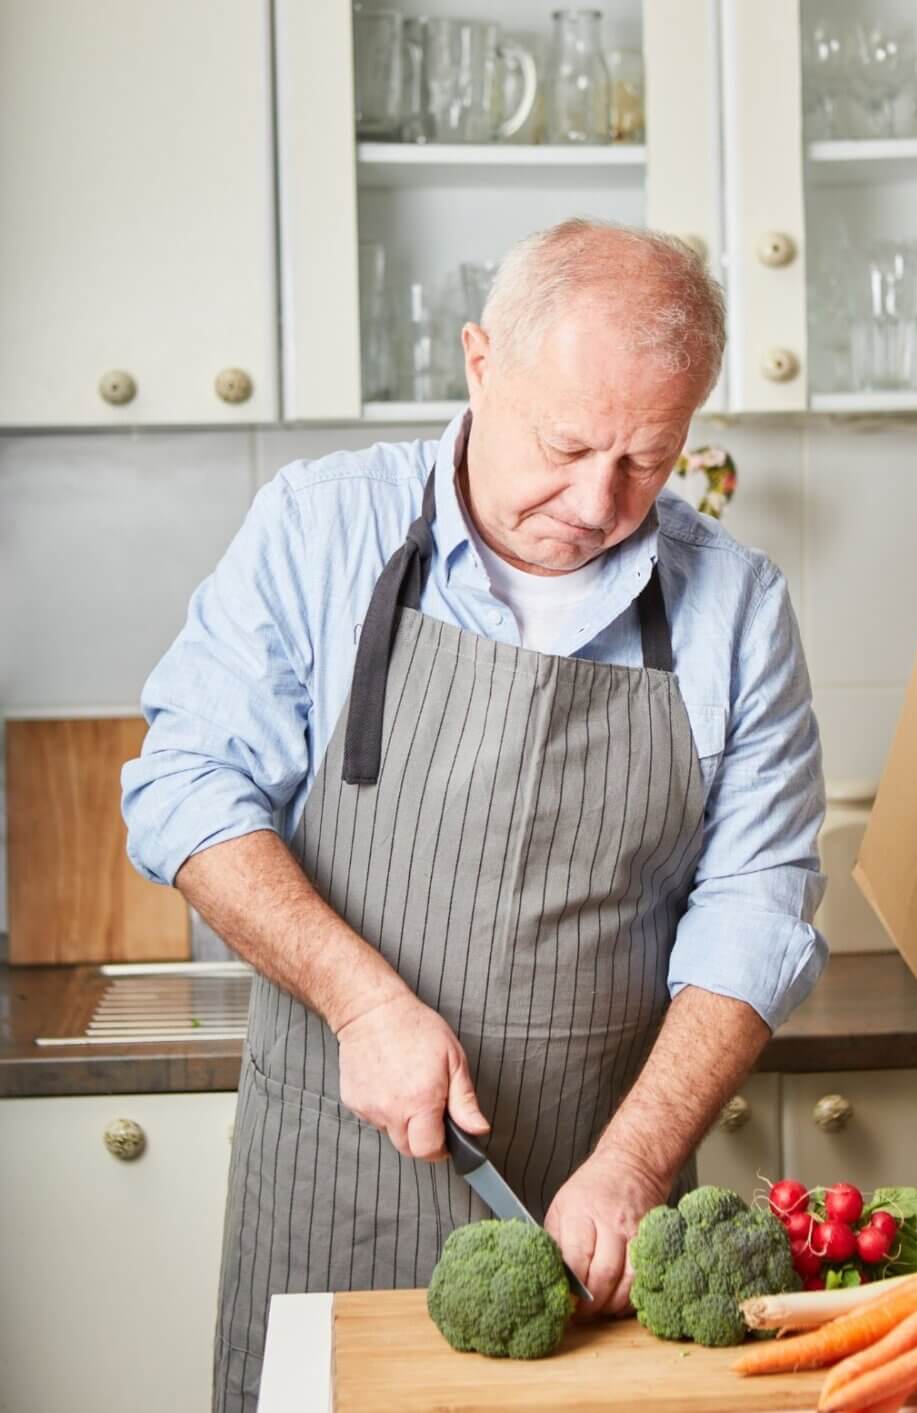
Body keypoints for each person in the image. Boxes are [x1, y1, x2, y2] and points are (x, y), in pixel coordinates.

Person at [122, 218, 827, 1411]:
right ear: (480, 362)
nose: (596, 501)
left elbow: (756, 908)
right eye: (565, 445)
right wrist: (361, 999)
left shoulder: (738, 610)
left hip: (604, 1206)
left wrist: (638, 1160)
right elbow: (185, 783)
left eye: (644, 462)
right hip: (331, 1182)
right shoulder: (320, 526)